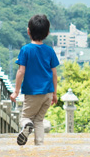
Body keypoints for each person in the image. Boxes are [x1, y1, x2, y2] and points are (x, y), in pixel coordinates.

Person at [10, 14, 60, 146]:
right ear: (47, 33)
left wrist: (16, 91)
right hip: (48, 93)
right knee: (39, 120)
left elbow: (21, 71)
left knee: (26, 117)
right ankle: (39, 145)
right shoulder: (49, 51)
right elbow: (54, 74)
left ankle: (26, 125)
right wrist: (54, 93)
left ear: (28, 31)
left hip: (33, 93)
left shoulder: (26, 50)